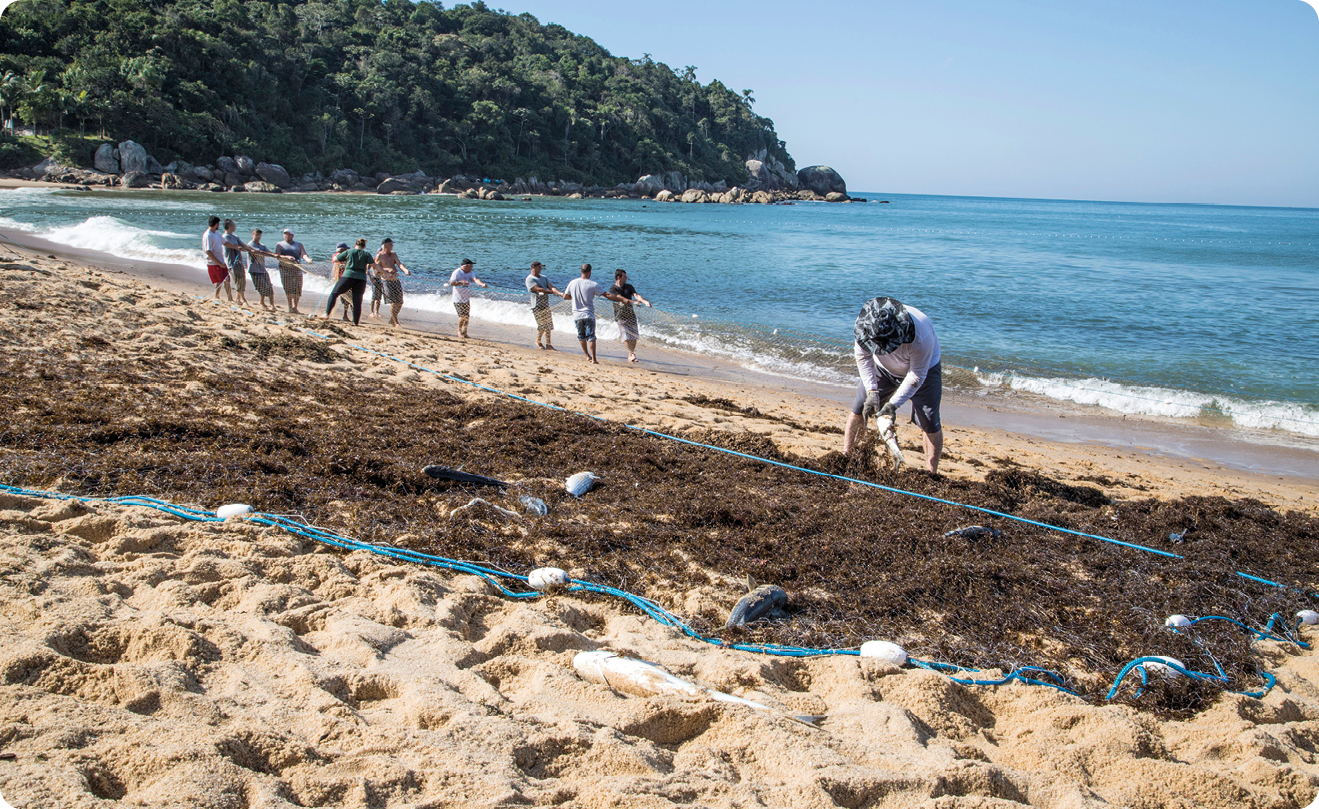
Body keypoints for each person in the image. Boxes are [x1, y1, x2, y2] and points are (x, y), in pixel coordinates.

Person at [845, 296, 944, 474]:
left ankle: (931, 473)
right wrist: (872, 391)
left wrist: (892, 405)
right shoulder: (866, 325)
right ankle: (847, 458)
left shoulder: (921, 334)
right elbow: (863, 357)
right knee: (859, 408)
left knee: (930, 421)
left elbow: (916, 376)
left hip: (925, 371)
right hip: (882, 369)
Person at [562, 263, 628, 364]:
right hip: (588, 314)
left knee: (581, 336)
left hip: (576, 315)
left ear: (581, 271)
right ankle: (593, 359)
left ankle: (586, 355)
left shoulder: (572, 283)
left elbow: (565, 296)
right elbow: (607, 295)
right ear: (590, 272)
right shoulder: (593, 284)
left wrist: (574, 298)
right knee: (591, 337)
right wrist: (621, 299)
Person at [326, 238, 378, 326]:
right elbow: (374, 265)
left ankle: (327, 314)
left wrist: (340, 255)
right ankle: (356, 322)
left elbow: (335, 259)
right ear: (364, 246)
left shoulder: (349, 252)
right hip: (361, 279)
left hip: (348, 276)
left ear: (355, 245)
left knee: (334, 293)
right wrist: (386, 273)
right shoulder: (366, 254)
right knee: (357, 301)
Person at [608, 269, 652, 363]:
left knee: (634, 336)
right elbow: (620, 298)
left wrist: (645, 301)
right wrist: (634, 302)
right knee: (626, 336)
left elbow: (636, 295)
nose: (626, 278)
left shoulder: (629, 286)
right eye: (624, 276)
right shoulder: (613, 288)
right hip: (620, 315)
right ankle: (632, 353)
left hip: (631, 314)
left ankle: (630, 354)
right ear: (619, 277)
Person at [525, 261, 562, 350]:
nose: (541, 269)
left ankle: (548, 344)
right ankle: (538, 341)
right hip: (536, 305)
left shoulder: (544, 278)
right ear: (533, 267)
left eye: (541, 267)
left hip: (545, 304)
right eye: (539, 267)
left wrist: (558, 292)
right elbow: (537, 288)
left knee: (548, 325)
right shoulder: (530, 279)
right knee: (541, 325)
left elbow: (550, 286)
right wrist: (551, 292)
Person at [374, 238, 411, 327]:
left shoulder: (393, 254)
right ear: (385, 245)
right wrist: (387, 270)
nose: (392, 246)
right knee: (394, 302)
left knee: (400, 302)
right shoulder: (379, 256)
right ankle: (396, 322)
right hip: (386, 281)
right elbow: (376, 270)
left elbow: (399, 264)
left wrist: (405, 270)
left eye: (392, 244)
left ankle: (392, 319)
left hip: (395, 280)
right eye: (390, 244)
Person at [273, 228, 311, 314]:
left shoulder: (299, 244)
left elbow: (304, 254)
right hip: (285, 270)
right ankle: (290, 307)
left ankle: (295, 307)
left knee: (297, 289)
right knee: (288, 289)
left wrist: (308, 260)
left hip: (297, 270)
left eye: (288, 234)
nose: (286, 235)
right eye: (285, 234)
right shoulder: (279, 244)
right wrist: (287, 257)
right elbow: (277, 256)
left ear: (292, 236)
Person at [447, 258, 486, 339]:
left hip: (466, 298)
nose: (472, 267)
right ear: (466, 266)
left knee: (467, 316)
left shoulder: (471, 273)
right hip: (457, 298)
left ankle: (465, 332)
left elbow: (475, 280)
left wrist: (482, 284)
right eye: (471, 265)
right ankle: (459, 331)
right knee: (462, 316)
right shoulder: (457, 272)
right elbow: (451, 282)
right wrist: (462, 283)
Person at [246, 228, 278, 311]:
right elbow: (256, 252)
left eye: (260, 235)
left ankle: (271, 304)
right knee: (262, 286)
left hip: (262, 269)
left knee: (269, 286)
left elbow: (269, 253)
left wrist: (277, 256)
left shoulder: (262, 245)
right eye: (257, 234)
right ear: (253, 235)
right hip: (254, 269)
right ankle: (262, 302)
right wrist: (265, 253)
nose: (258, 236)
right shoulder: (250, 244)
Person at [201, 216, 231, 301]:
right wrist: (219, 263)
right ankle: (216, 296)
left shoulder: (216, 233)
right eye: (218, 224)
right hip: (213, 262)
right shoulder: (208, 235)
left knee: (227, 279)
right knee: (220, 280)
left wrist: (236, 247)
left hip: (220, 260)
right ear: (216, 224)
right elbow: (208, 251)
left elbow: (225, 242)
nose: (219, 226)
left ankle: (229, 298)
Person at [220, 219, 249, 306]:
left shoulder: (235, 236)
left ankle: (238, 299)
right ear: (229, 226)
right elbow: (236, 246)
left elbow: (243, 245)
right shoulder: (225, 237)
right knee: (237, 281)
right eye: (234, 225)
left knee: (242, 280)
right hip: (231, 263)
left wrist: (253, 250)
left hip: (239, 262)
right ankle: (244, 300)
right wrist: (242, 248)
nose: (235, 226)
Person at [329, 242, 352, 321]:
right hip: (341, 279)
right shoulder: (336, 256)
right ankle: (345, 315)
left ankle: (351, 315)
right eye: (345, 250)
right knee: (345, 299)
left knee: (350, 298)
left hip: (347, 279)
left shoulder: (342, 256)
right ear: (342, 250)